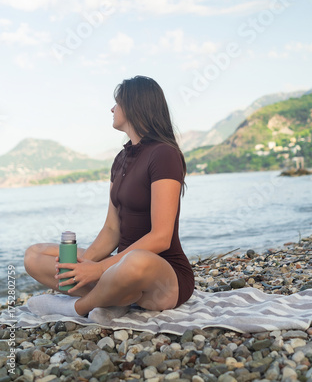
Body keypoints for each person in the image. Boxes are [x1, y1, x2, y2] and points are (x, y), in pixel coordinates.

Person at [24, 76, 195, 318]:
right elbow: (112, 229)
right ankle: (115, 298)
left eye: (117, 103)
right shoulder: (121, 159)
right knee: (34, 255)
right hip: (118, 268)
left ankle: (76, 308)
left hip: (163, 277)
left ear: (135, 106)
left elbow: (161, 238)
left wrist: (99, 269)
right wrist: (83, 267)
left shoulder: (164, 154)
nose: (112, 109)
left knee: (135, 262)